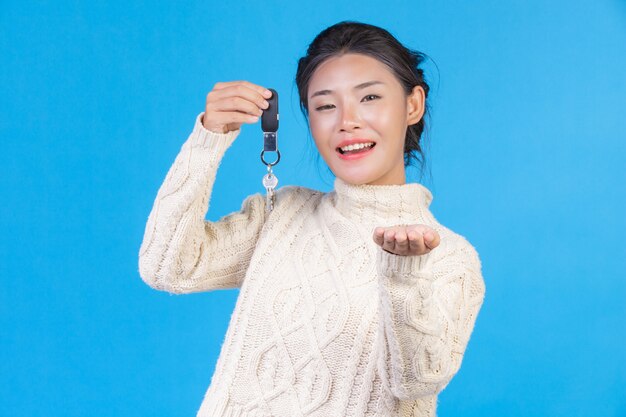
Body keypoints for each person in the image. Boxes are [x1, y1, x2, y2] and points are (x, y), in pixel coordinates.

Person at [138, 21, 486, 417]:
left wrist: (403, 275)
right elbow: (168, 267)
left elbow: (416, 380)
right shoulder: (284, 214)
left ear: (413, 105)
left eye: (369, 97)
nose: (346, 121)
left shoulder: (450, 258)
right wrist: (209, 139)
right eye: (324, 105)